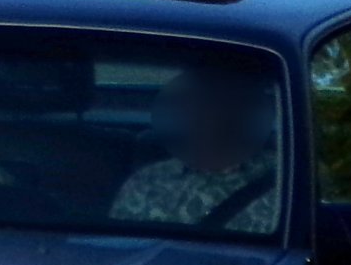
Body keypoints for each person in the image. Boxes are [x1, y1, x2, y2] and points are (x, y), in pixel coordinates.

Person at [109, 68, 280, 233]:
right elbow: (119, 249)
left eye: (221, 107)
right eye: (197, 111)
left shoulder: (285, 181)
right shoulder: (147, 182)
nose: (208, 121)